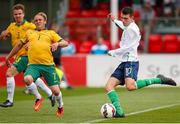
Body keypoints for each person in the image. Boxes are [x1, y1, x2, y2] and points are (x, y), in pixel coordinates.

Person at [106, 7, 176, 118]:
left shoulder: (133, 30)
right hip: (124, 61)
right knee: (109, 86)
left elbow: (128, 48)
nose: (124, 20)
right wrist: (114, 20)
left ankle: (159, 79)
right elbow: (123, 25)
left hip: (131, 61)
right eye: (122, 18)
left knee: (131, 86)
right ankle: (119, 112)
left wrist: (113, 52)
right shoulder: (127, 25)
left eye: (126, 18)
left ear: (132, 18)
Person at [5, 12, 68, 116]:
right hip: (33, 65)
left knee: (56, 92)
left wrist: (57, 43)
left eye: (40, 20)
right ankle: (38, 97)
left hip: (48, 66)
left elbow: (65, 43)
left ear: (45, 21)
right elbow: (19, 45)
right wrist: (8, 56)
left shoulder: (51, 33)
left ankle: (60, 106)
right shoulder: (30, 33)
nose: (38, 21)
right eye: (36, 20)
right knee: (27, 79)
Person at [0, 4, 55, 108]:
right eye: (16, 14)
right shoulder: (11, 26)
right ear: (13, 15)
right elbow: (5, 36)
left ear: (23, 14)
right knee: (33, 79)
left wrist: (31, 43)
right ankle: (50, 94)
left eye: (20, 13)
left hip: (26, 56)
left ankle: (10, 100)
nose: (18, 16)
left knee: (9, 73)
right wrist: (2, 35)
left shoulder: (30, 26)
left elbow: (41, 32)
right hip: (19, 56)